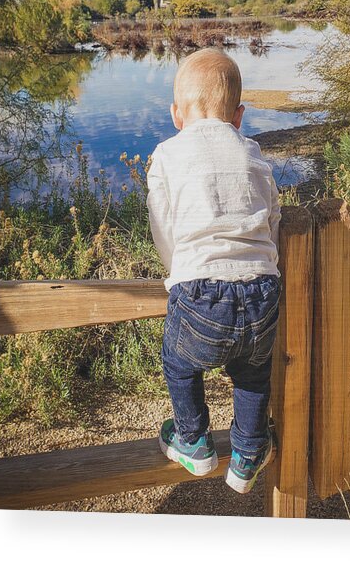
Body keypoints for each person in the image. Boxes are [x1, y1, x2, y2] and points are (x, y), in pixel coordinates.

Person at [146, 47, 282, 494]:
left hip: (200, 290)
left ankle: (193, 442)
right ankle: (247, 454)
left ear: (176, 114)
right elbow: (273, 217)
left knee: (180, 363)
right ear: (238, 115)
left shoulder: (166, 154)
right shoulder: (255, 152)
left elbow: (162, 223)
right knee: (253, 374)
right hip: (263, 289)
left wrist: (175, 272)